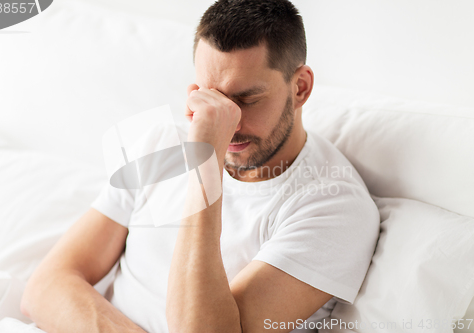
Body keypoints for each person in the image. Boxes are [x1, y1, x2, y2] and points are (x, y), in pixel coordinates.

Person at [21, 0, 380, 332]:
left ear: (300, 87)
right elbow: (45, 287)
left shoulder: (334, 207)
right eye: (212, 97)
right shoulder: (162, 142)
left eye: (246, 99)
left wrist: (203, 161)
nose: (226, 119)